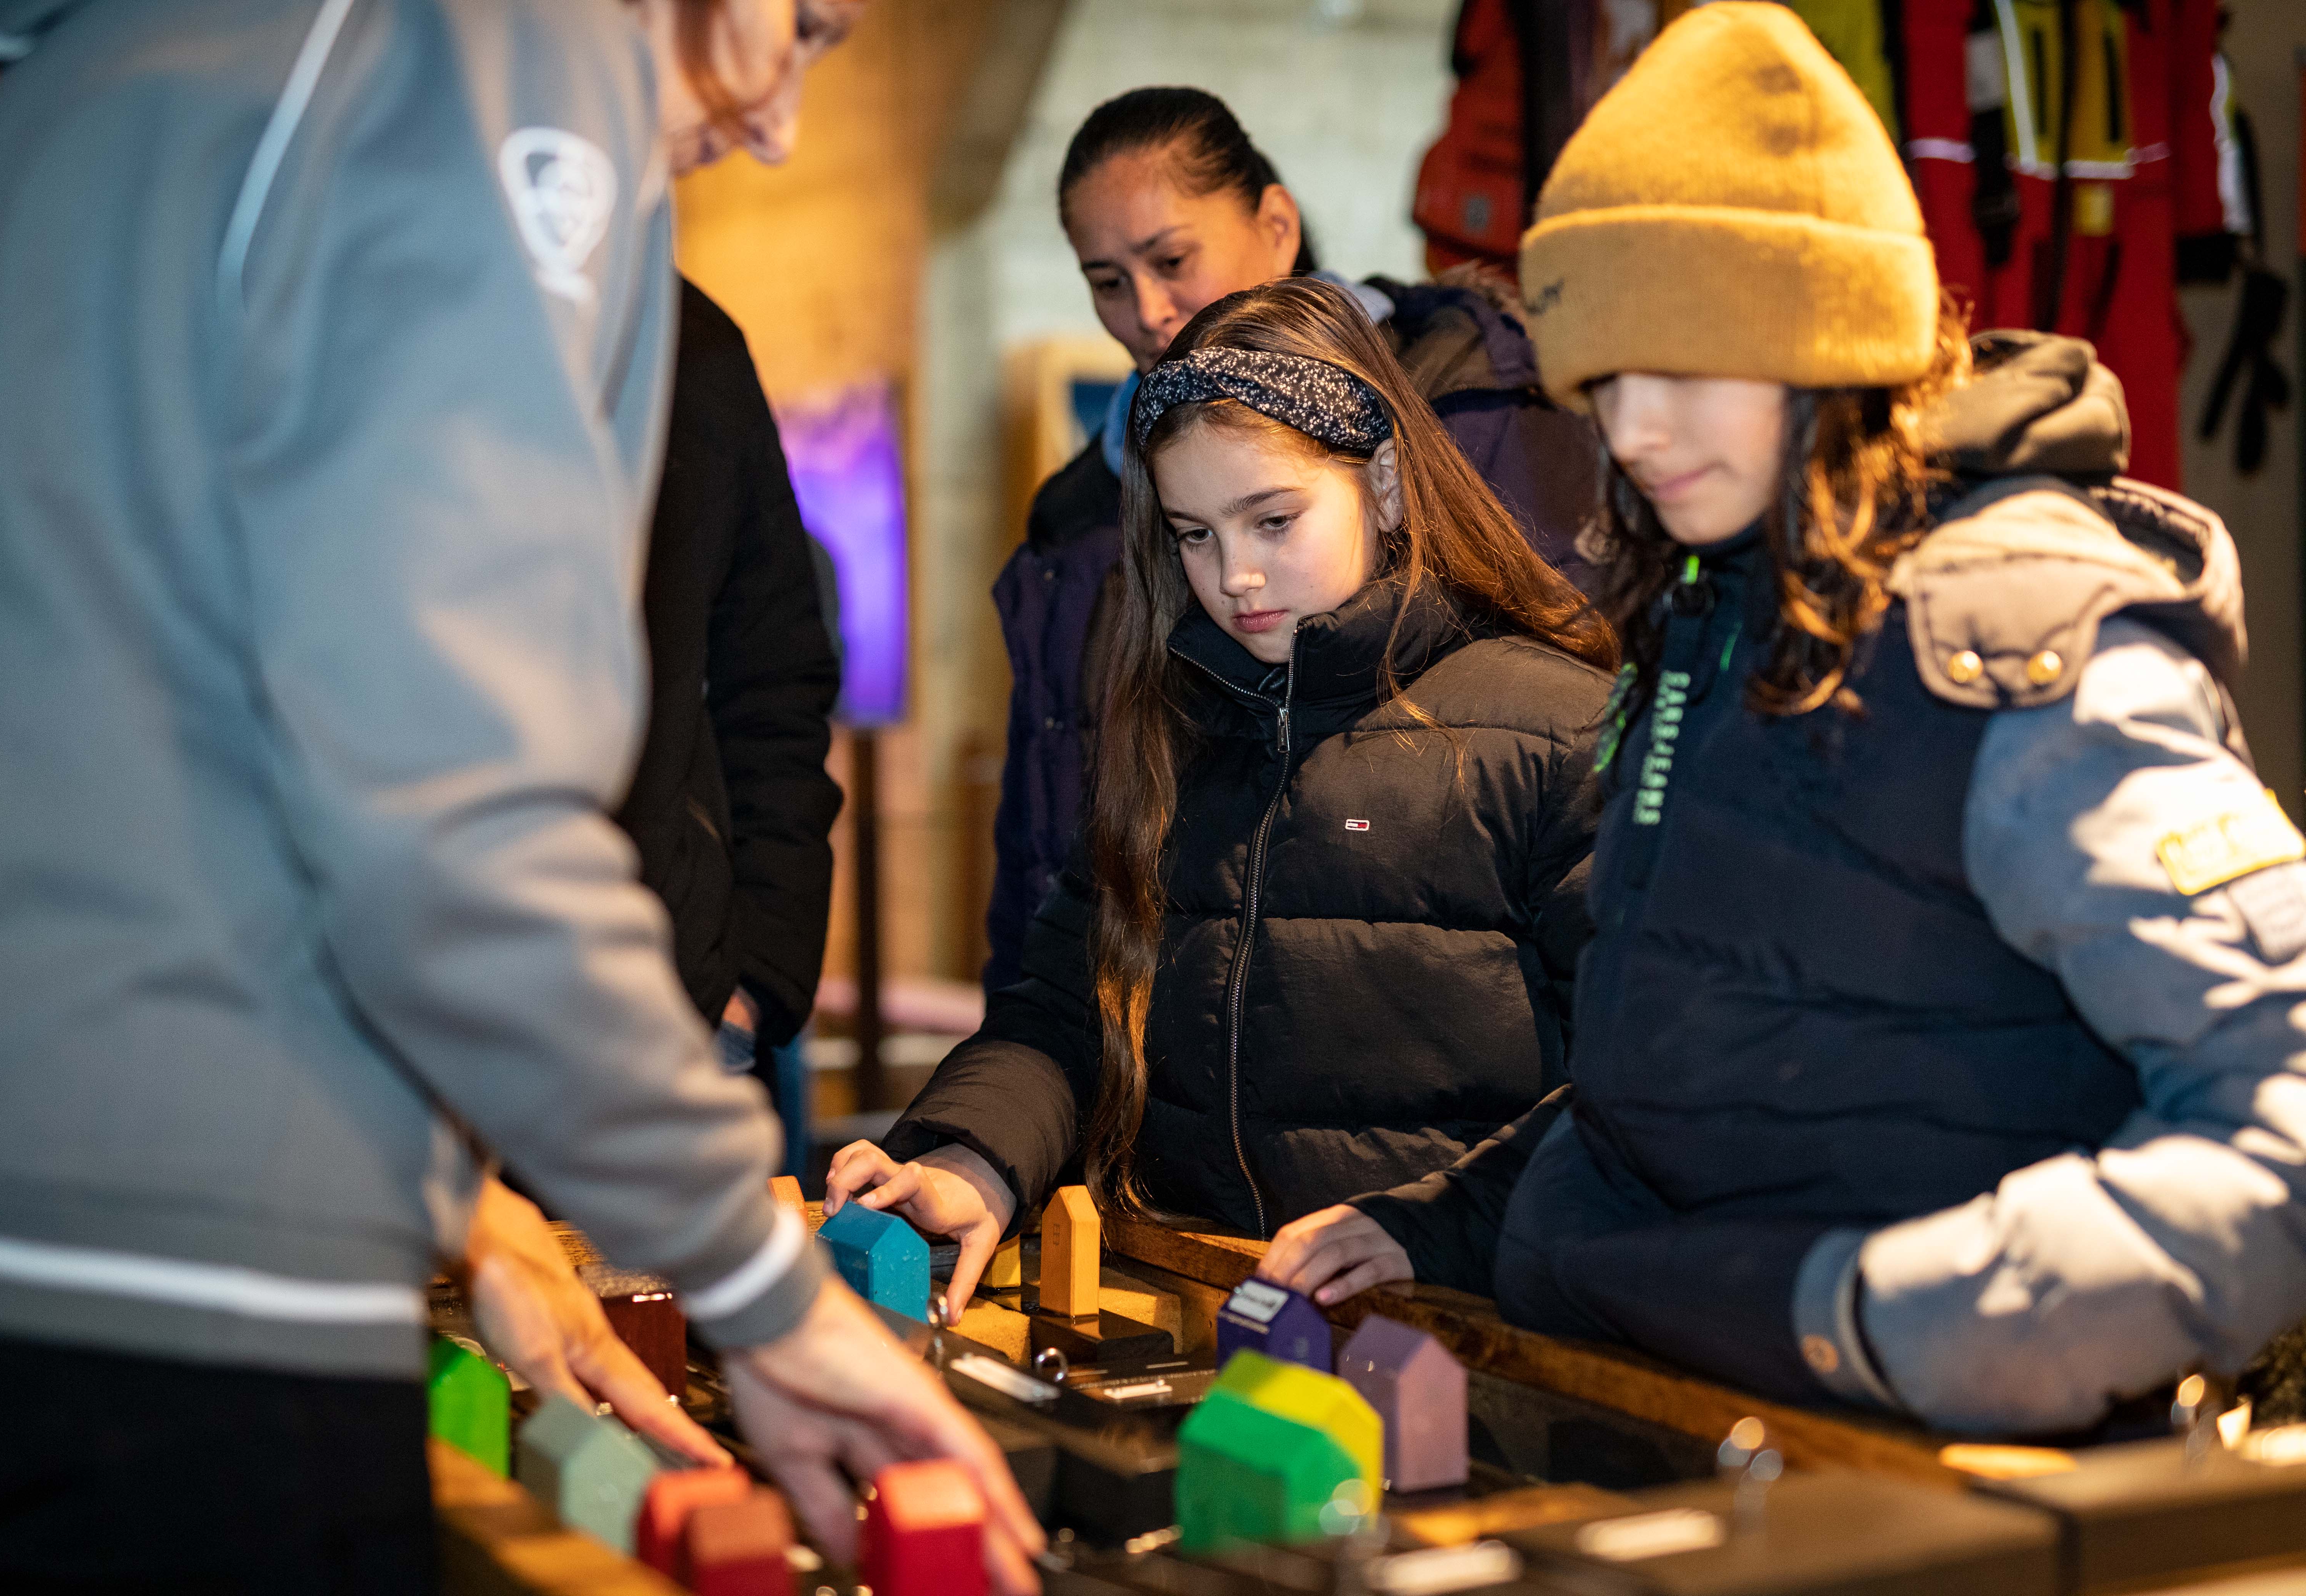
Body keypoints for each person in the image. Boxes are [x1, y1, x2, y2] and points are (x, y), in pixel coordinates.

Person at [0, 2, 1039, 1589]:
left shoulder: (116, 75)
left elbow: (204, 733)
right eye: (804, 26)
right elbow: (450, 802)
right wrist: (756, 1284)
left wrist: (470, 1213)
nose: (783, 119)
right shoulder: (502, 45)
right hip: (190, 1277)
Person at [1263, 3, 2306, 1438]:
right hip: (1689, 1423)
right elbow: (1700, 1045)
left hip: (1941, 1491)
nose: (1629, 434)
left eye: (1686, 369)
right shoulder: (1712, 611)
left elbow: (2283, 1104)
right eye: (1606, 380)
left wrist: (1921, 1321)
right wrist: (1466, 1214)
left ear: (1833, 345)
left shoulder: (2015, 639)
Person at [827, 277, 1616, 1321]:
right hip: (1203, 1305)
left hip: (1468, 1335)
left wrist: (1432, 1225)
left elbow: (1641, 1081)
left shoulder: (1558, 728)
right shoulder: (1175, 727)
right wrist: (975, 1157)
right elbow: (1070, 1004)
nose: (1237, 576)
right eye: (1195, 535)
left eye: (1273, 519)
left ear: (1382, 483)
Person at [985, 86, 1600, 993]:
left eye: (1172, 257)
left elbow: (1536, 758)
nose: (1148, 311)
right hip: (1144, 1020)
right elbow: (1051, 827)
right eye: (1107, 281)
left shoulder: (1475, 418)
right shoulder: (1076, 514)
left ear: (1277, 225)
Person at [616, 276, 843, 1177]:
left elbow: (776, 682)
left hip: (677, 1007)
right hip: (409, 1007)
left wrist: (754, 979)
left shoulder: (697, 345)